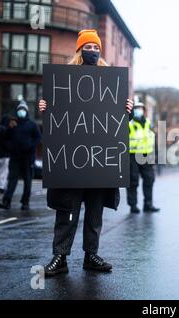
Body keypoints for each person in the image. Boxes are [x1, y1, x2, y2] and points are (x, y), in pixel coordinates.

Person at [37, 29, 134, 277]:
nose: (93, 51)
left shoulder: (109, 81)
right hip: (71, 161)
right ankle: (60, 257)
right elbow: (57, 117)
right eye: (88, 47)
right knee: (67, 212)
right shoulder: (65, 79)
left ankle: (91, 256)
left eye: (96, 47)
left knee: (95, 212)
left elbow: (116, 123)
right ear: (80, 50)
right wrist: (45, 108)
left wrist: (126, 110)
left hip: (98, 162)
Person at [0, 101, 41, 210]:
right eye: (19, 110)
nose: (21, 112)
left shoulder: (32, 124)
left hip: (28, 157)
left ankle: (25, 202)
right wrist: (10, 144)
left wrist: (31, 146)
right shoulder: (13, 124)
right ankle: (6, 201)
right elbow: (5, 138)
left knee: (27, 181)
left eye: (23, 110)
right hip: (15, 156)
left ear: (26, 111)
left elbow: (38, 138)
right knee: (12, 180)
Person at [127, 98, 160, 214]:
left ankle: (148, 204)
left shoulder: (148, 123)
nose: (139, 110)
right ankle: (133, 205)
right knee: (133, 180)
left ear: (144, 110)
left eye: (141, 108)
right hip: (132, 155)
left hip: (147, 154)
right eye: (136, 108)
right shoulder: (129, 123)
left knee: (149, 179)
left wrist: (154, 155)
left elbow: (152, 139)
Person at [0, 115, 11, 195]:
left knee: (0, 171)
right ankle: (1, 187)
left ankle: (0, 186)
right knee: (4, 171)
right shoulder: (5, 130)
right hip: (5, 154)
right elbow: (7, 143)